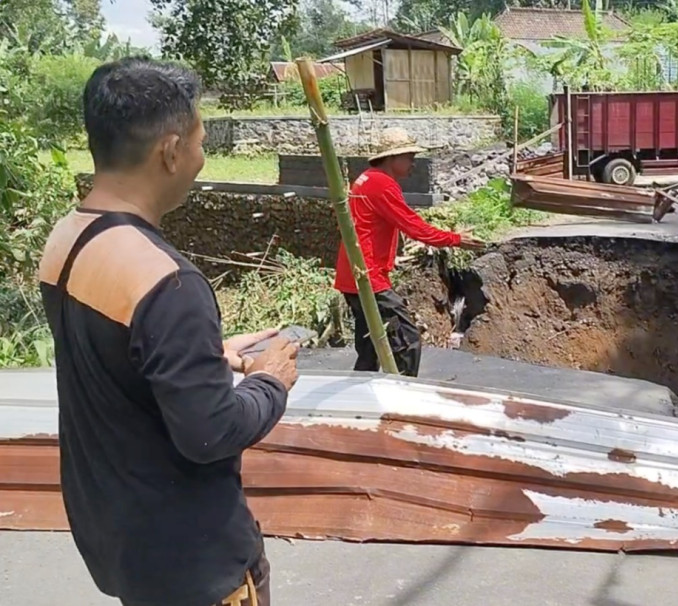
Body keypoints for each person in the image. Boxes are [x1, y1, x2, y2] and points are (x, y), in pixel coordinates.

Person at [38, 57, 299, 606]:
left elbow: (114, 358)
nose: (201, 159)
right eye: (201, 142)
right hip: (194, 561)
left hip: (122, 539)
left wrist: (205, 355)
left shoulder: (67, 239)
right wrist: (270, 381)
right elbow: (210, 434)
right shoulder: (168, 282)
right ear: (171, 151)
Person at [333, 127, 484, 376]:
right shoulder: (382, 185)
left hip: (354, 275)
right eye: (410, 157)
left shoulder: (367, 178)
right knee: (408, 338)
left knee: (370, 345)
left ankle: (362, 389)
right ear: (393, 158)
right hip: (369, 278)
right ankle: (404, 389)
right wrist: (456, 239)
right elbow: (414, 228)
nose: (413, 163)